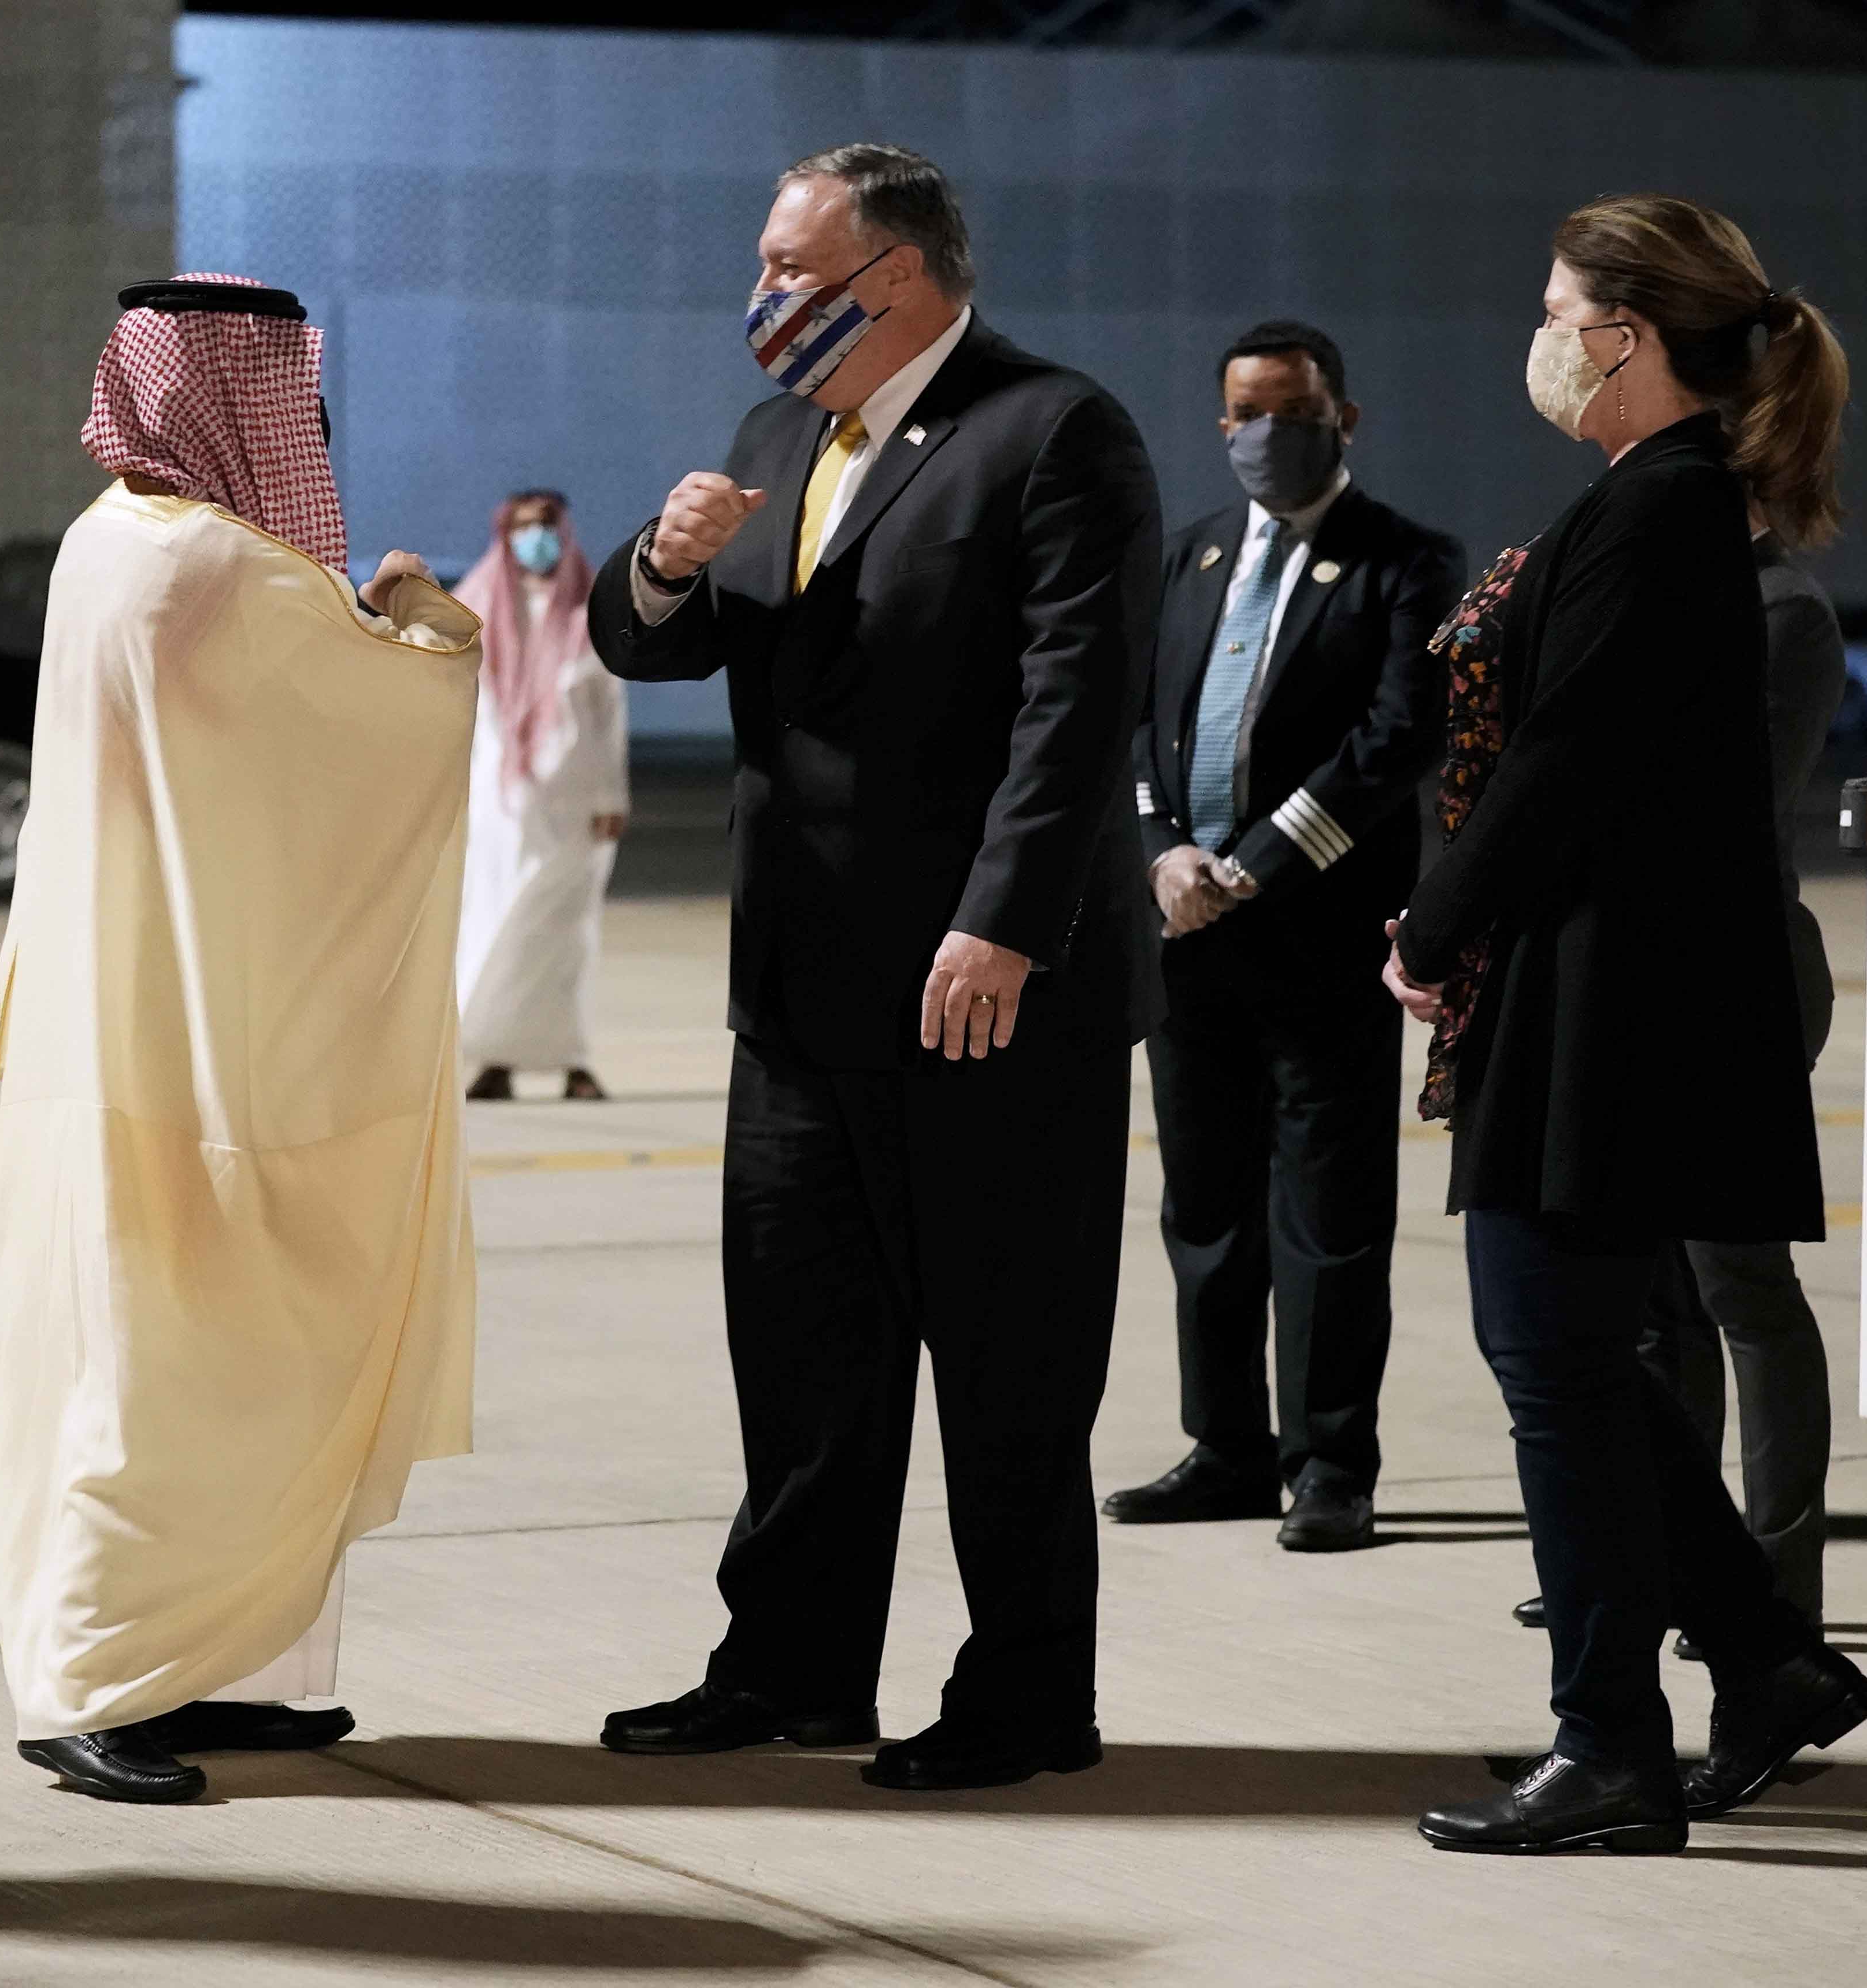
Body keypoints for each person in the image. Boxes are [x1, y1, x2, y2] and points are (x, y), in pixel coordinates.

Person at [587, 145, 1163, 1792]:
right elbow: (655, 641)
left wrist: (1003, 921)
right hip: (800, 986)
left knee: (1007, 1362)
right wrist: (667, 559)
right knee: (805, 1357)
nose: (759, 294)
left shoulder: (1051, 429)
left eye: (788, 266)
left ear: (894, 275)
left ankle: (1027, 1693)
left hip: (983, 990)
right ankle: (791, 1669)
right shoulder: (784, 434)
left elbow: (1077, 703)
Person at [1391, 194, 1867, 1855]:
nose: (1541, 336)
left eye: (1557, 307)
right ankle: (1766, 1662)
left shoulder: (1663, 509)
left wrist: (1434, 930)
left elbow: (1568, 759)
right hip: (1607, 990)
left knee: (1553, 1360)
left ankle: (1610, 1745)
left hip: (1615, 1002)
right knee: (1580, 1353)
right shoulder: (1661, 501)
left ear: (1629, 335)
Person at [0, 275, 481, 1806]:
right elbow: (391, 721)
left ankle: (194, 1669)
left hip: (118, 1036)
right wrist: (421, 619)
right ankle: (87, 1686)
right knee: (159, 1377)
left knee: (174, 1368)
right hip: (185, 1055)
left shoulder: (101, 546)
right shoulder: (213, 565)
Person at [1108, 322, 1461, 1553]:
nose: (1268, 433)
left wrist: (1252, 865)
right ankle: (1226, 1447)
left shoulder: (1407, 562)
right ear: (1223, 422)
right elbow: (1141, 726)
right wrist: (1162, 850)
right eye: (1248, 412)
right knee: (1203, 1202)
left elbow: (1394, 740)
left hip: (1314, 934)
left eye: (1294, 410)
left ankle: (1330, 1462)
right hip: (1183, 932)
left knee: (1329, 1209)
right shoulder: (1192, 554)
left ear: (1342, 417)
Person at [1513, 497, 1847, 1647]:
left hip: (1731, 981)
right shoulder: (1659, 589)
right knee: (1652, 1306)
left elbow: (1727, 802)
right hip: (1637, 980)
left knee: (1738, 1288)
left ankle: (1774, 1582)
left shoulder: (1782, 605)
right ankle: (1661, 1554)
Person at [455, 488, 629, 1103]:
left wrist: (614, 793)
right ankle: (497, 1059)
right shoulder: (474, 607)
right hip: (501, 806)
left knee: (565, 937)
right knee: (498, 925)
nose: (537, 538)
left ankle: (572, 1061)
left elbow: (609, 713)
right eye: (525, 527)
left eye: (547, 526)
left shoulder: (591, 610)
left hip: (577, 803)